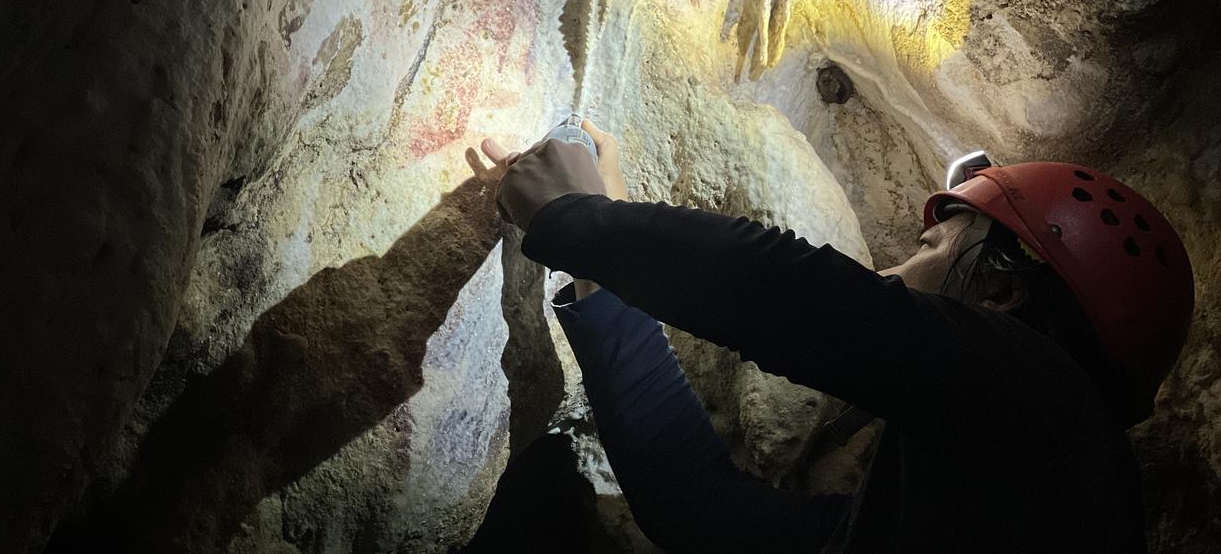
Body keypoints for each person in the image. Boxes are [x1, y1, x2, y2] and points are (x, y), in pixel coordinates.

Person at [476, 121, 1194, 554]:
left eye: (930, 247)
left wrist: (577, 218)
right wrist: (605, 257)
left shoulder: (1052, 407)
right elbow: (700, 508)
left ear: (1005, 295)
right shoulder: (940, 516)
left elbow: (799, 296)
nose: (893, 267)